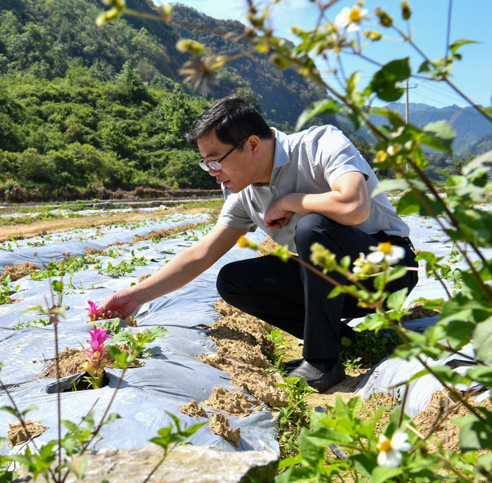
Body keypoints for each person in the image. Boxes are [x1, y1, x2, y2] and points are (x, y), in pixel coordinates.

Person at [101, 97, 418, 392]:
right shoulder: (244, 194)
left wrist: (291, 201)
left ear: (252, 144)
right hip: (331, 287)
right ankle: (344, 341)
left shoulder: (319, 144)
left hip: (387, 270)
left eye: (216, 161)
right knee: (234, 281)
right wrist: (135, 296)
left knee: (313, 228)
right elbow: (201, 254)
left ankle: (322, 363)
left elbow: (354, 206)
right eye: (206, 164)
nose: (213, 174)